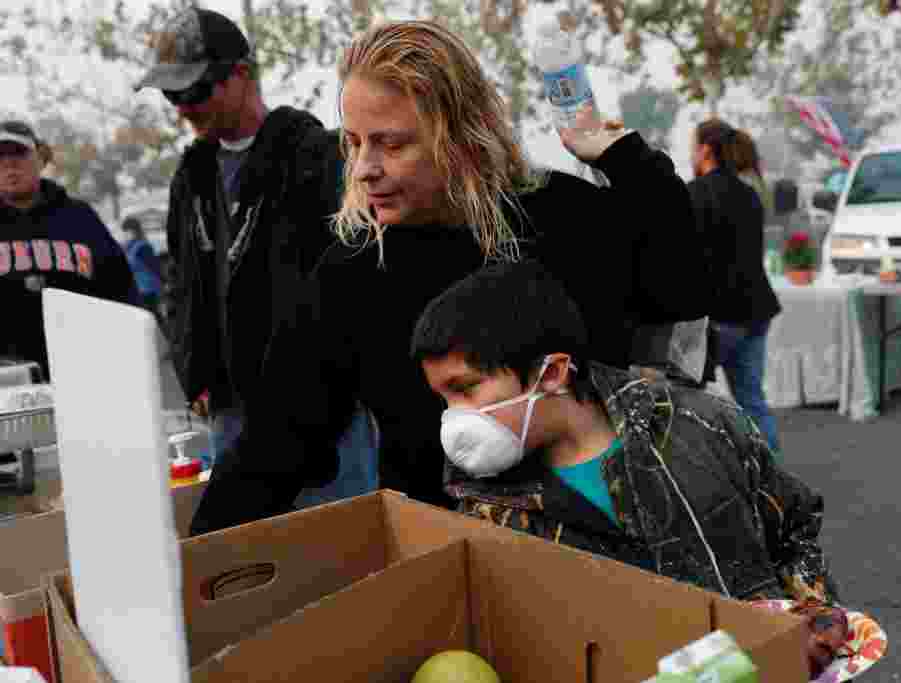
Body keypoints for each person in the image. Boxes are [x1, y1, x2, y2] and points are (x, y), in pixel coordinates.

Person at [250, 19, 709, 521]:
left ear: (462, 133)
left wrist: (626, 160)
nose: (363, 168)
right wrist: (196, 568)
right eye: (355, 142)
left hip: (606, 547)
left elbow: (679, 291)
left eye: (393, 144)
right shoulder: (352, 270)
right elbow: (278, 444)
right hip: (441, 554)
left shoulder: (561, 218)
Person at [410, 259, 837, 606]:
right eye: (444, 399)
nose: (454, 420)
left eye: (465, 389)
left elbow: (794, 527)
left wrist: (812, 616)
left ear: (553, 372)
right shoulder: (484, 505)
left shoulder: (703, 426)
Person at [133, 7, 378, 534]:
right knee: (252, 553)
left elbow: (348, 276)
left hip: (320, 409)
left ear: (241, 73)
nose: (184, 108)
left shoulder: (313, 155)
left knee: (343, 545)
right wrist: (193, 367)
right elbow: (180, 280)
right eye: (172, 96)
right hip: (231, 409)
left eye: (195, 90)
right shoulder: (191, 174)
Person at [0, 119, 141, 379]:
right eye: (0, 157)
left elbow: (120, 288)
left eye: (18, 153)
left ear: (41, 158)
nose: (9, 164)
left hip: (84, 368)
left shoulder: (79, 217)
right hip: (7, 378)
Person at [689, 118, 782, 454]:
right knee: (752, 399)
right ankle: (773, 480)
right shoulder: (749, 193)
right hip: (757, 310)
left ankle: (704, 478)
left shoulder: (695, 194)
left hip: (720, 316)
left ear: (705, 150)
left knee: (688, 401)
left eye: (694, 146)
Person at [122, 216, 164, 321]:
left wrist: (164, 282)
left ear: (136, 231)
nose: (126, 235)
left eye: (128, 232)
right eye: (125, 232)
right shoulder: (128, 248)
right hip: (137, 290)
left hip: (148, 290)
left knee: (150, 318)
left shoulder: (143, 247)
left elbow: (155, 267)